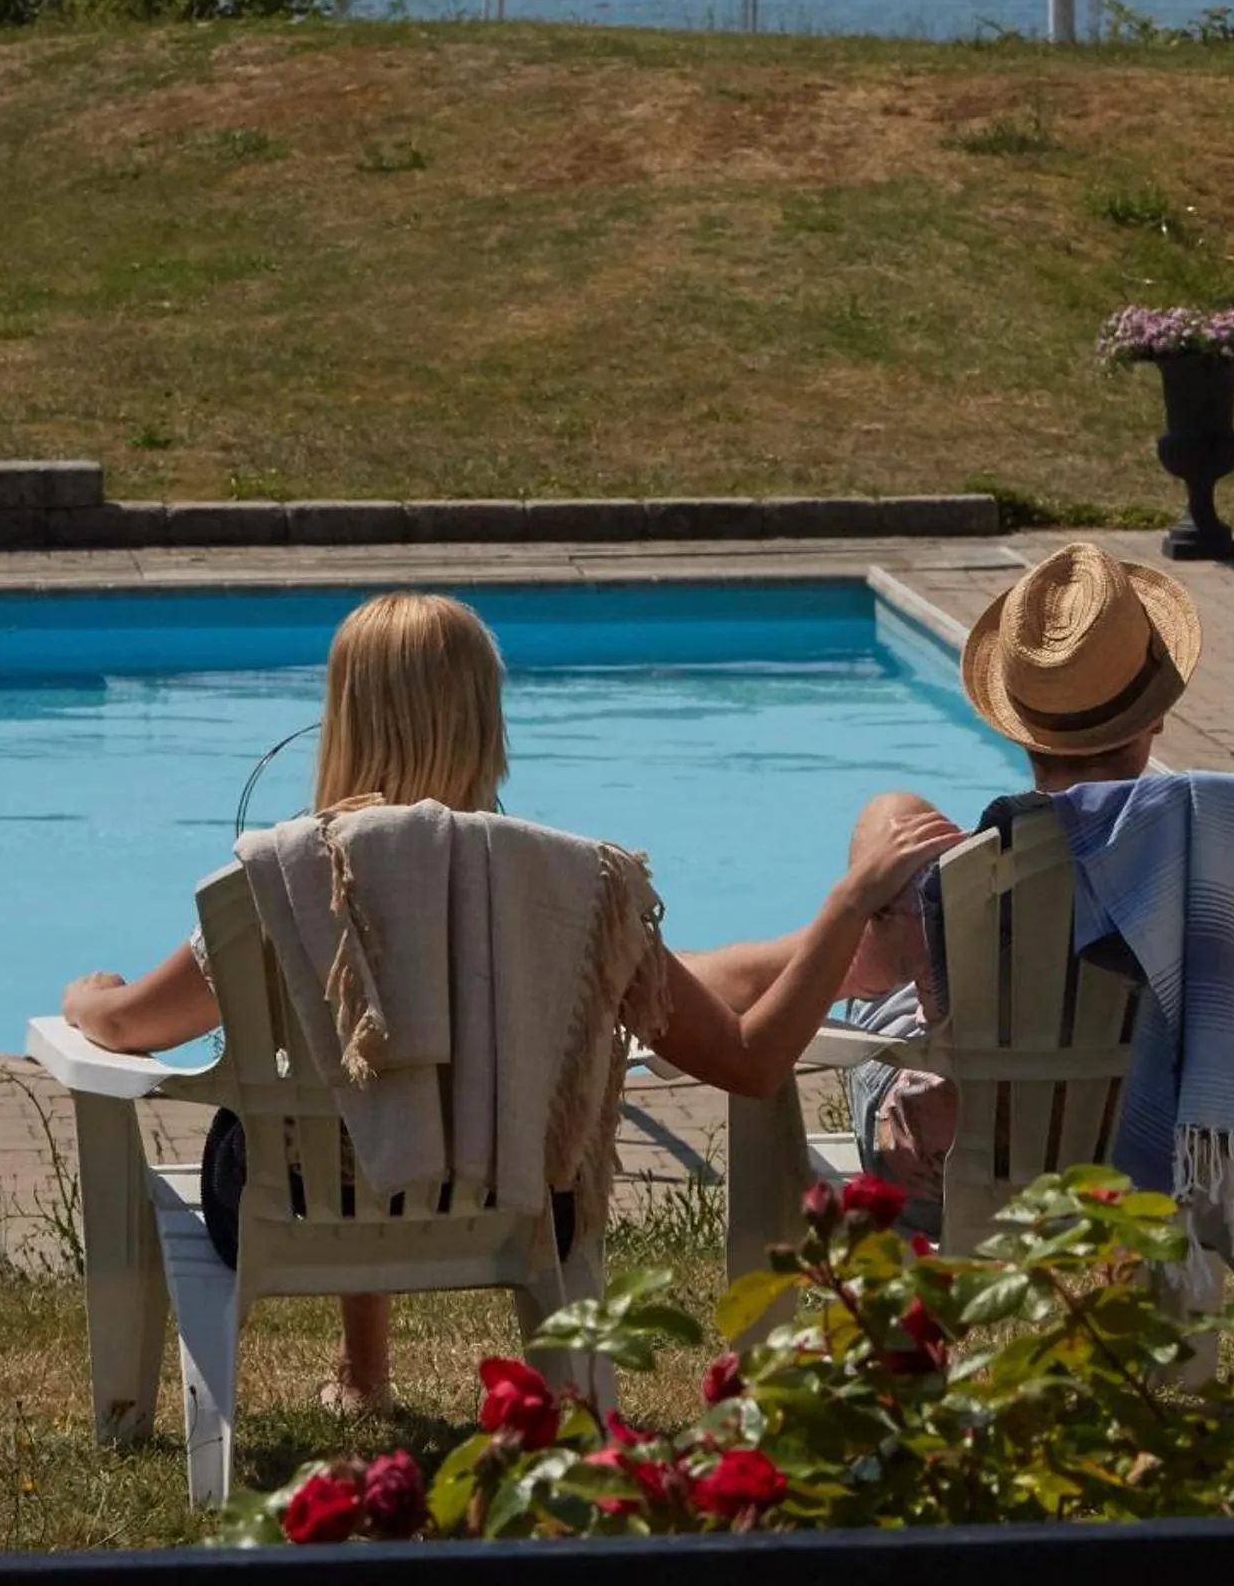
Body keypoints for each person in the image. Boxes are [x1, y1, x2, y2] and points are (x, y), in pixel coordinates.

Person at [62, 590, 958, 1415]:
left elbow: (130, 1025)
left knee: (328, 1099)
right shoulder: (575, 888)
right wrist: (839, 911)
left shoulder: (284, 878)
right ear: (487, 722)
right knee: (387, 1087)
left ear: (342, 718)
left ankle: (364, 1374)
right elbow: (753, 1061)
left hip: (294, 1202)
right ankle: (364, 1368)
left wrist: (88, 995)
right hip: (527, 1195)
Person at [688, 541, 1234, 1239]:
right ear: (1157, 714)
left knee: (891, 835)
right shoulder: (1206, 859)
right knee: (902, 873)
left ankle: (862, 968)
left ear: (1019, 729)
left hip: (947, 1173)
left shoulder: (971, 881)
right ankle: (893, 972)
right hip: (1146, 1175)